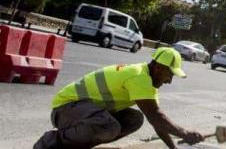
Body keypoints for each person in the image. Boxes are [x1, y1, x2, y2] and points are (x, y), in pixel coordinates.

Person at [34, 47, 205, 149]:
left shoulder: (147, 80)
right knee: (109, 126)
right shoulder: (138, 77)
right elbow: (157, 117)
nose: (169, 80)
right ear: (158, 67)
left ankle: (79, 145)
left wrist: (173, 148)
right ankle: (50, 142)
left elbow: (156, 122)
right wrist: (184, 132)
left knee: (134, 119)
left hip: (83, 113)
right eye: (170, 74)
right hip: (65, 110)